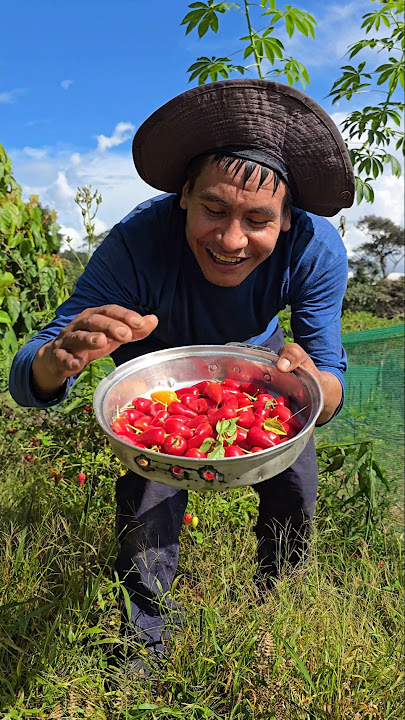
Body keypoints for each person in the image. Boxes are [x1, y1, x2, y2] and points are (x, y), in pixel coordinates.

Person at [9, 79, 354, 671]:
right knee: (151, 485)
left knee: (295, 474)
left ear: (289, 221)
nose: (231, 239)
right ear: (184, 196)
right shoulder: (136, 243)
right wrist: (58, 360)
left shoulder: (317, 251)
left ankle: (279, 604)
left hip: (263, 365)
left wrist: (307, 386)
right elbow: (30, 371)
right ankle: (142, 640)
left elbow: (330, 379)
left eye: (258, 220)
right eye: (214, 209)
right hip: (157, 368)